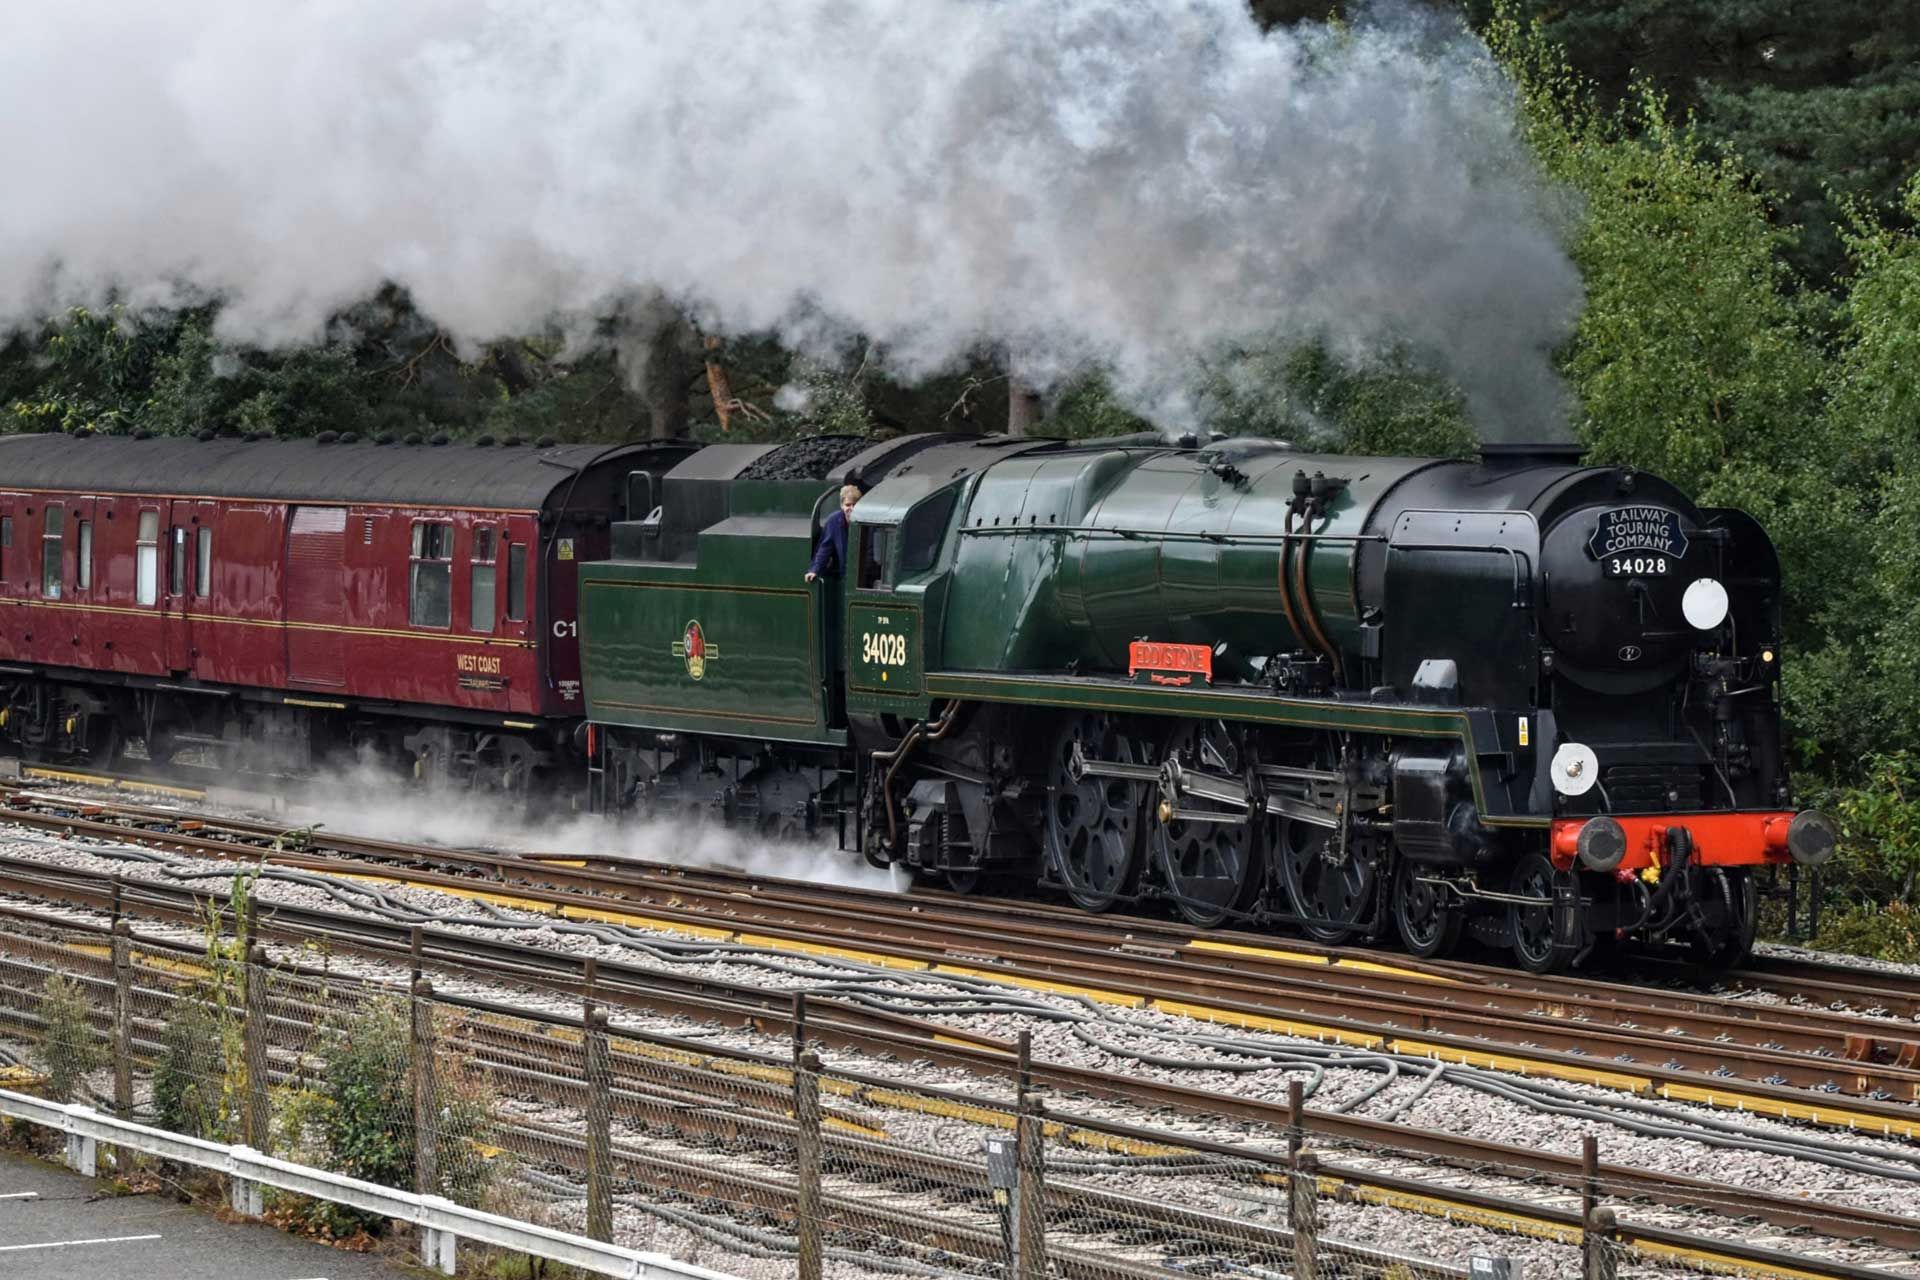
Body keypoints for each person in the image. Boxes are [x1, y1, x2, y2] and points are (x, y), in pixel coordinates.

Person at [806, 483, 861, 582]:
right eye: (848, 505)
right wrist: (815, 570)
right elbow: (825, 549)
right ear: (841, 505)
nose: (852, 508)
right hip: (843, 574)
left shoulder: (866, 520)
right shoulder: (833, 521)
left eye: (855, 504)